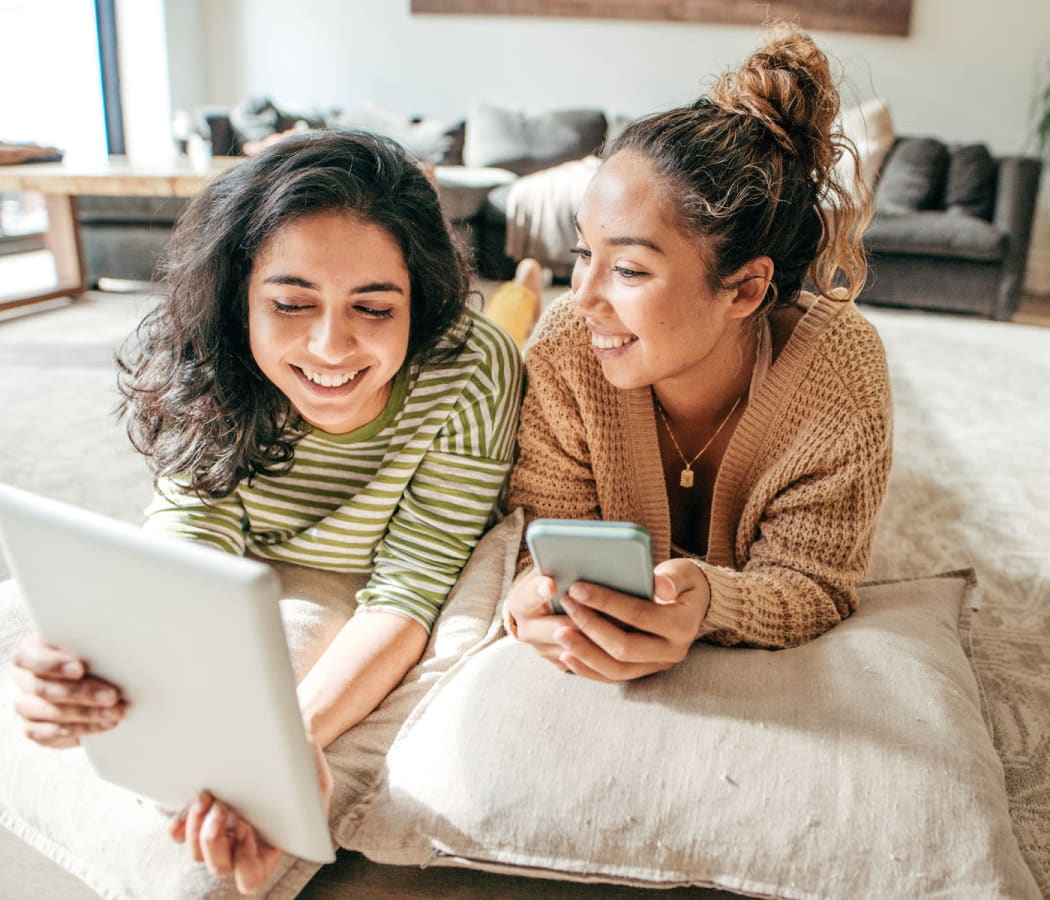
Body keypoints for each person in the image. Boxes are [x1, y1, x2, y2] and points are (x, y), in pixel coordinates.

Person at [10, 130, 523, 892]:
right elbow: (187, 540)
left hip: (467, 394)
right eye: (289, 303)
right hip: (263, 542)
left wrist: (281, 751)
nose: (330, 346)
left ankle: (530, 287)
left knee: (519, 316)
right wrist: (89, 668)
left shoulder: (470, 367)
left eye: (375, 307)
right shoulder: (207, 359)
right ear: (239, 296)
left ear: (420, 300)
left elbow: (409, 586)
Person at [502, 24, 893, 683]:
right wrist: (530, 599)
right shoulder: (566, 347)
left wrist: (714, 600)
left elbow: (816, 581)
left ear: (744, 290)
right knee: (507, 324)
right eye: (582, 255)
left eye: (627, 270)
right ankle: (522, 285)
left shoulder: (840, 375)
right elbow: (536, 537)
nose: (586, 297)